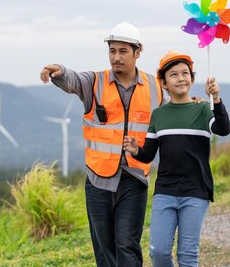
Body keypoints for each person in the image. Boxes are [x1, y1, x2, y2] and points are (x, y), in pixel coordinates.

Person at [40, 21, 164, 267]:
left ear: (138, 52)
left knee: (127, 244)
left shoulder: (155, 87)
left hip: (134, 177)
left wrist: (195, 102)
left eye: (122, 51)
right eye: (112, 51)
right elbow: (72, 80)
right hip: (98, 180)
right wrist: (59, 71)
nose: (116, 58)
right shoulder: (94, 82)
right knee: (104, 249)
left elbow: (176, 106)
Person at [123, 51, 230, 267]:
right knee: (159, 252)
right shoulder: (159, 115)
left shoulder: (202, 109)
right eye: (174, 75)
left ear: (192, 78)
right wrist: (136, 150)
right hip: (165, 192)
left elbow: (223, 128)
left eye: (185, 73)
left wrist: (216, 99)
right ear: (164, 83)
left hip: (196, 191)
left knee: (187, 255)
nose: (181, 78)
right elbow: (148, 155)